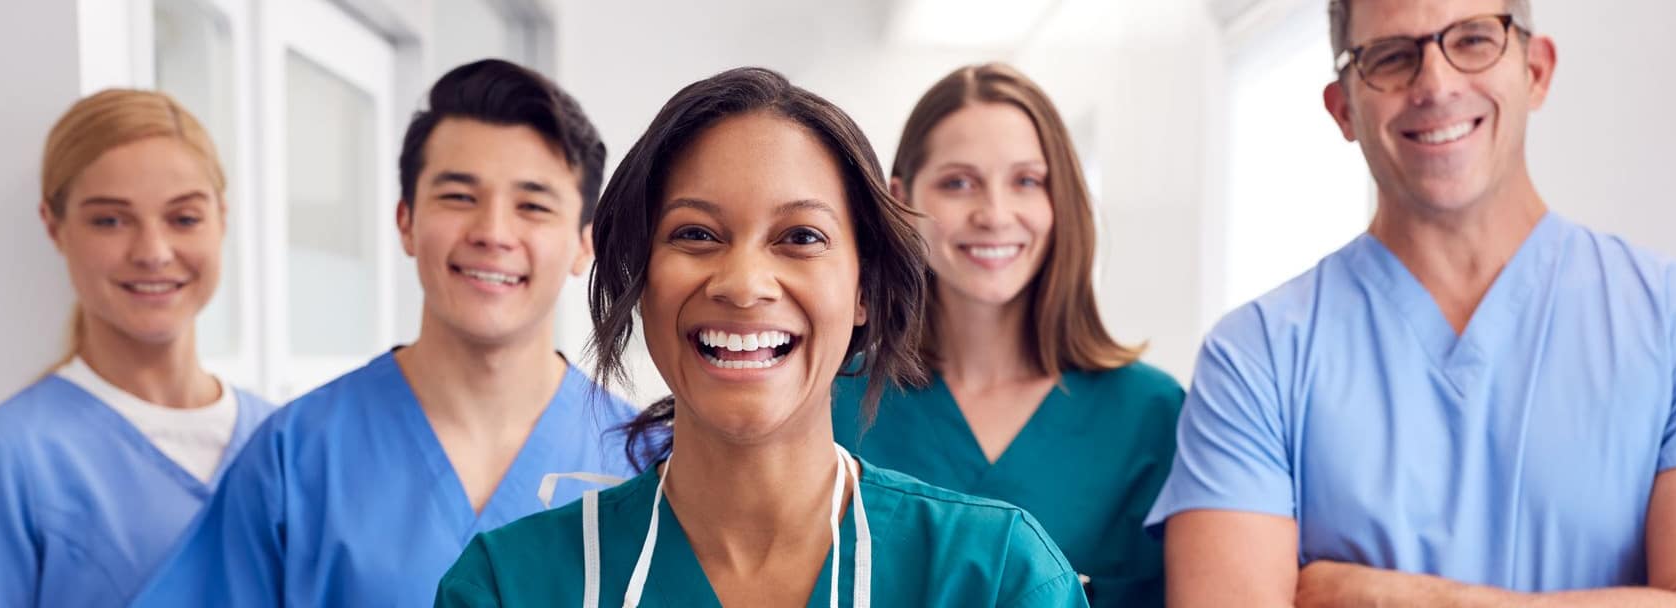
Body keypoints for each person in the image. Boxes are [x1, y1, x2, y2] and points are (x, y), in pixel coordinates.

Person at [1148, 1, 1676, 606]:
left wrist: (1382, 596)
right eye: (1392, 57)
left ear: (1536, 70)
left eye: (1475, 40)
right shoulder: (1255, 356)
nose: (1435, 83)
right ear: (1343, 108)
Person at [435, 67, 1089, 608]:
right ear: (641, 276)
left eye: (800, 237)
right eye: (695, 234)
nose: (744, 284)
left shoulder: (997, 578)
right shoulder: (508, 586)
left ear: (864, 290)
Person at [130, 59, 635, 607]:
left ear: (585, 242)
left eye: (532, 206)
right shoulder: (296, 458)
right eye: (459, 197)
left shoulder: (648, 462)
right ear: (406, 222)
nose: (492, 233)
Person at [833, 62, 1181, 607]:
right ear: (902, 202)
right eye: (958, 183)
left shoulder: (1153, 416)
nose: (994, 214)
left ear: (1060, 200)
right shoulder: (833, 403)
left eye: (1026, 181)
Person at [0, 89, 275, 607]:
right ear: (54, 226)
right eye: (110, 220)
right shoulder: (5, 456)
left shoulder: (283, 439)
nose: (153, 252)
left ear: (222, 218)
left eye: (184, 219)